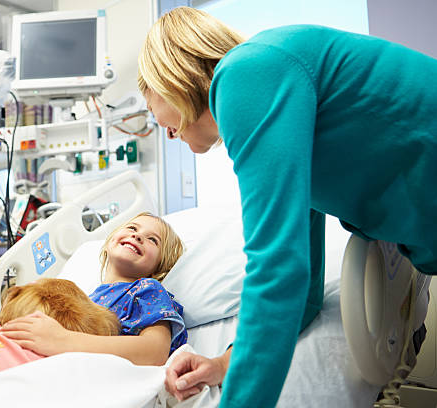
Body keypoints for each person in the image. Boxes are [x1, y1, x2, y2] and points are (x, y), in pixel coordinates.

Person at [137, 6, 437, 407]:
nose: (162, 128)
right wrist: (225, 364)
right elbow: (305, 291)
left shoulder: (247, 74)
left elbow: (279, 270)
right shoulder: (273, 96)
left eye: (149, 102)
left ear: (169, 78)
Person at [1, 212, 188, 365]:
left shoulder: (148, 290)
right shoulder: (89, 298)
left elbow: (154, 352)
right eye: (132, 228)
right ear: (108, 243)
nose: (137, 236)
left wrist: (61, 339)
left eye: (153, 240)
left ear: (160, 266)